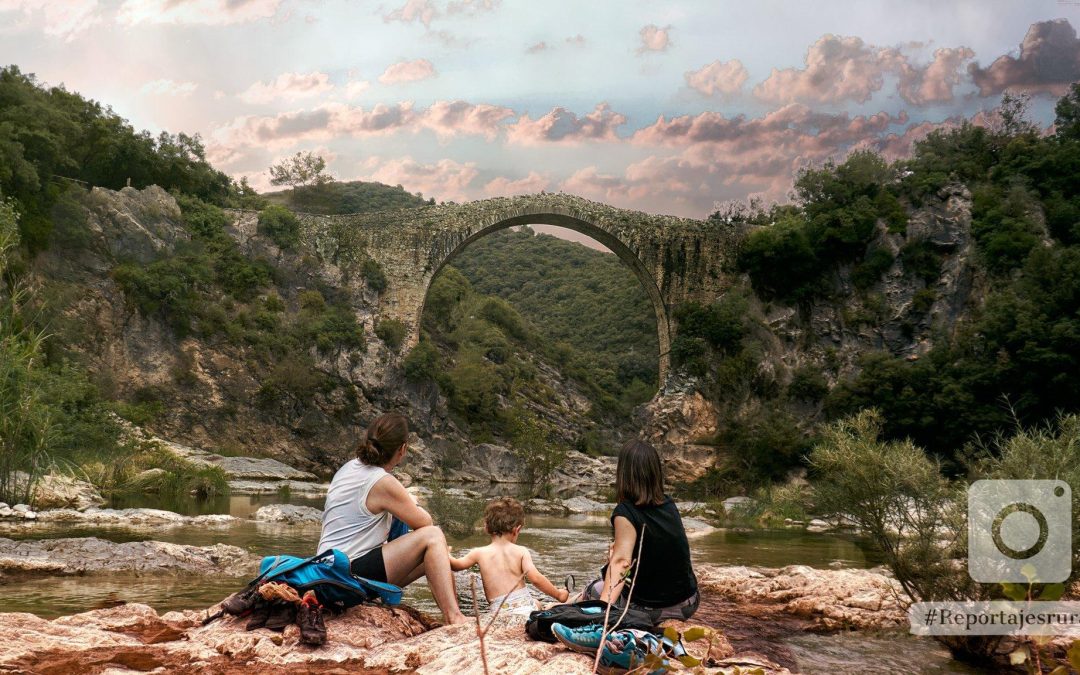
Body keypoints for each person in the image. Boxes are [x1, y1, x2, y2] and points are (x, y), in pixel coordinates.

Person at [318, 412, 468, 625]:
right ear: (403, 449)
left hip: (327, 572)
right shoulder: (381, 481)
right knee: (434, 538)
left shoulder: (348, 468)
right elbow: (425, 525)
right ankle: (455, 617)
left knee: (435, 557)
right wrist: (410, 501)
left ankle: (451, 615)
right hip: (346, 576)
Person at [584, 439, 699, 622]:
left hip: (650, 611)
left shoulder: (626, 513)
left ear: (624, 474)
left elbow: (622, 563)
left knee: (593, 590)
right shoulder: (669, 504)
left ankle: (567, 603)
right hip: (688, 603)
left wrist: (601, 614)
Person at [450, 496, 569, 616]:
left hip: (498, 612)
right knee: (537, 603)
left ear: (486, 528)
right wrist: (559, 594)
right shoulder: (521, 551)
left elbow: (456, 565)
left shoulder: (478, 553)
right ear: (517, 529)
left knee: (536, 603)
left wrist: (446, 553)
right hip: (525, 608)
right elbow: (536, 579)